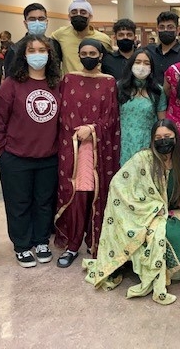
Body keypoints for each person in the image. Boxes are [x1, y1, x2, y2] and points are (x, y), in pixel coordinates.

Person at [83, 120, 180, 305]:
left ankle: (173, 271)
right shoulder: (143, 158)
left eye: (167, 137)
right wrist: (149, 208)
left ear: (175, 137)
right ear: (153, 140)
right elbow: (118, 184)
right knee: (170, 233)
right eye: (158, 138)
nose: (163, 141)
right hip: (144, 213)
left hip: (167, 210)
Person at [0, 34, 61, 268]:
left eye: (42, 50)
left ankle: (41, 241)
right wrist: (1, 151)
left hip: (48, 156)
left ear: (50, 55)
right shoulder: (11, 84)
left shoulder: (56, 84)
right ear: (23, 55)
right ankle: (21, 245)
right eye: (32, 50)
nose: (37, 55)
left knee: (44, 202)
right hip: (16, 157)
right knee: (18, 204)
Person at [55, 38, 120, 267]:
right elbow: (63, 114)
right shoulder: (69, 79)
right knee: (77, 195)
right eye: (84, 53)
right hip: (72, 147)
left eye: (93, 53)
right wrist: (76, 134)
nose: (88, 57)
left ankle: (96, 243)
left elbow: (111, 117)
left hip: (98, 148)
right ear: (79, 55)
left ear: (101, 56)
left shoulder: (109, 82)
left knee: (96, 195)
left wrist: (91, 129)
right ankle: (73, 245)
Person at [117, 48, 167, 165]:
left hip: (147, 145)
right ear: (131, 64)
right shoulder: (120, 88)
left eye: (146, 63)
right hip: (123, 144)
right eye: (138, 62)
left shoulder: (157, 91)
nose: (142, 66)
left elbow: (162, 121)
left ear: (151, 67)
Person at [51, 0, 112, 74]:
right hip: (69, 80)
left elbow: (110, 62)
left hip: (95, 80)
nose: (78, 15)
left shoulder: (103, 39)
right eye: (74, 13)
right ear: (69, 17)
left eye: (83, 13)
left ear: (90, 17)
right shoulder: (61, 33)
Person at [4, 3, 54, 78]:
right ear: (25, 23)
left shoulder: (54, 46)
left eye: (41, 19)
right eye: (32, 19)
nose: (37, 22)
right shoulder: (14, 50)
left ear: (46, 22)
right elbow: (10, 79)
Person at [146, 11, 180, 85]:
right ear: (157, 30)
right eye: (162, 27)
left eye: (170, 27)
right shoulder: (148, 52)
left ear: (177, 30)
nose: (165, 30)